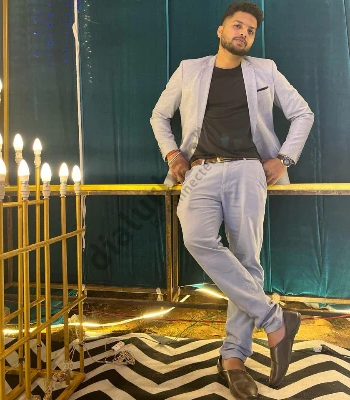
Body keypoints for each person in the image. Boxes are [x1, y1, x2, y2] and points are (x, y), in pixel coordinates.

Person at [150, 2, 314, 399]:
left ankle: (233, 359)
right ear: (221, 31)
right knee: (196, 238)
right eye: (237, 25)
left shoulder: (265, 70)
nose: (244, 33)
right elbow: (159, 115)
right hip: (200, 169)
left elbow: (303, 114)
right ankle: (275, 320)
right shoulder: (190, 69)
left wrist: (284, 158)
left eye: (251, 30)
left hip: (248, 170)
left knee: (247, 261)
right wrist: (172, 154)